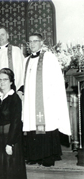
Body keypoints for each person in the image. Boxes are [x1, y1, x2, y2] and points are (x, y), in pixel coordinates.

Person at [22, 33, 71, 167]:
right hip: (31, 102)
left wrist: (51, 97)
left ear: (41, 42)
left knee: (46, 126)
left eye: (35, 41)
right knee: (32, 125)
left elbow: (56, 80)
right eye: (30, 42)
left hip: (46, 101)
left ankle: (48, 156)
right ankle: (34, 155)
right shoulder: (26, 60)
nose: (32, 44)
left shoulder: (49, 58)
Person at [0, 68, 27, 179]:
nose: (2, 82)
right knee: (0, 172)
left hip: (10, 141)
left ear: (11, 81)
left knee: (10, 171)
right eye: (0, 80)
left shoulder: (14, 98)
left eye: (5, 80)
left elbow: (16, 122)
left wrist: (10, 143)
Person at [0, 25, 24, 104]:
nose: (0, 37)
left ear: (7, 35)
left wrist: (20, 89)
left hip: (13, 91)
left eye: (2, 34)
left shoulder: (16, 51)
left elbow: (21, 71)